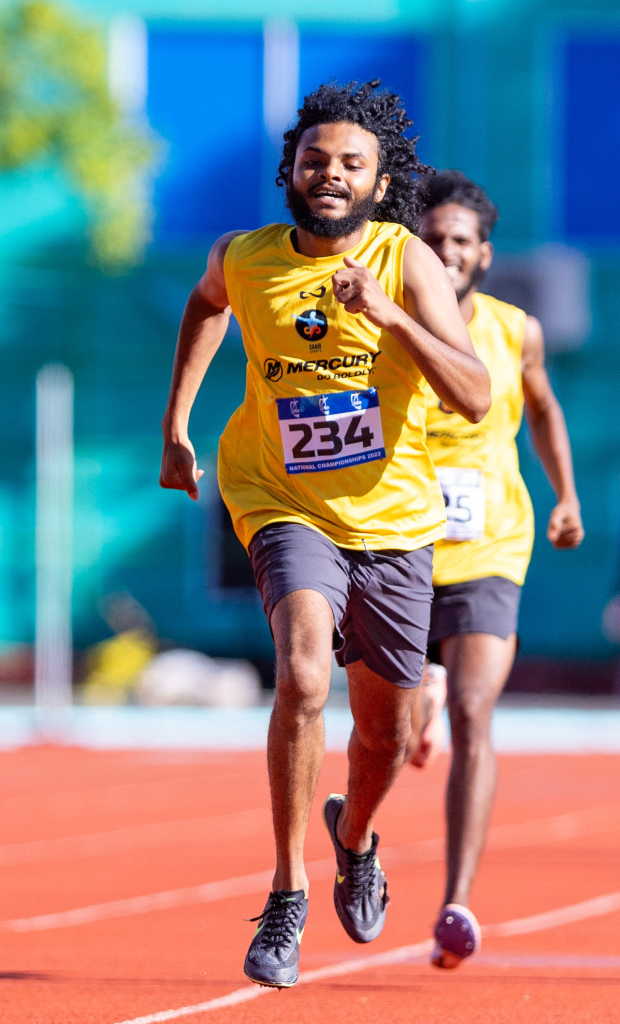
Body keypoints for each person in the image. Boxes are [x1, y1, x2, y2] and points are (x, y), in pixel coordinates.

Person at [158, 80, 491, 988]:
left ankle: (356, 837)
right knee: (304, 672)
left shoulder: (407, 262)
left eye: (351, 164)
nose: (330, 174)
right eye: (315, 160)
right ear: (289, 172)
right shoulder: (248, 256)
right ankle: (286, 890)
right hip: (281, 496)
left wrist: (390, 319)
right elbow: (205, 303)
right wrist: (177, 423)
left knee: (387, 732)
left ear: (381, 183)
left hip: (393, 520)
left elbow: (474, 393)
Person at [407, 171, 584, 968]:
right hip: (397, 541)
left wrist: (566, 495)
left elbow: (543, 408)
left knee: (477, 712)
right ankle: (419, 699)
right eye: (433, 239)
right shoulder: (383, 321)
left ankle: (457, 902)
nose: (446, 253)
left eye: (460, 241)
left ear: (483, 254)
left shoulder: (517, 332)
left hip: (491, 543)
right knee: (393, 727)